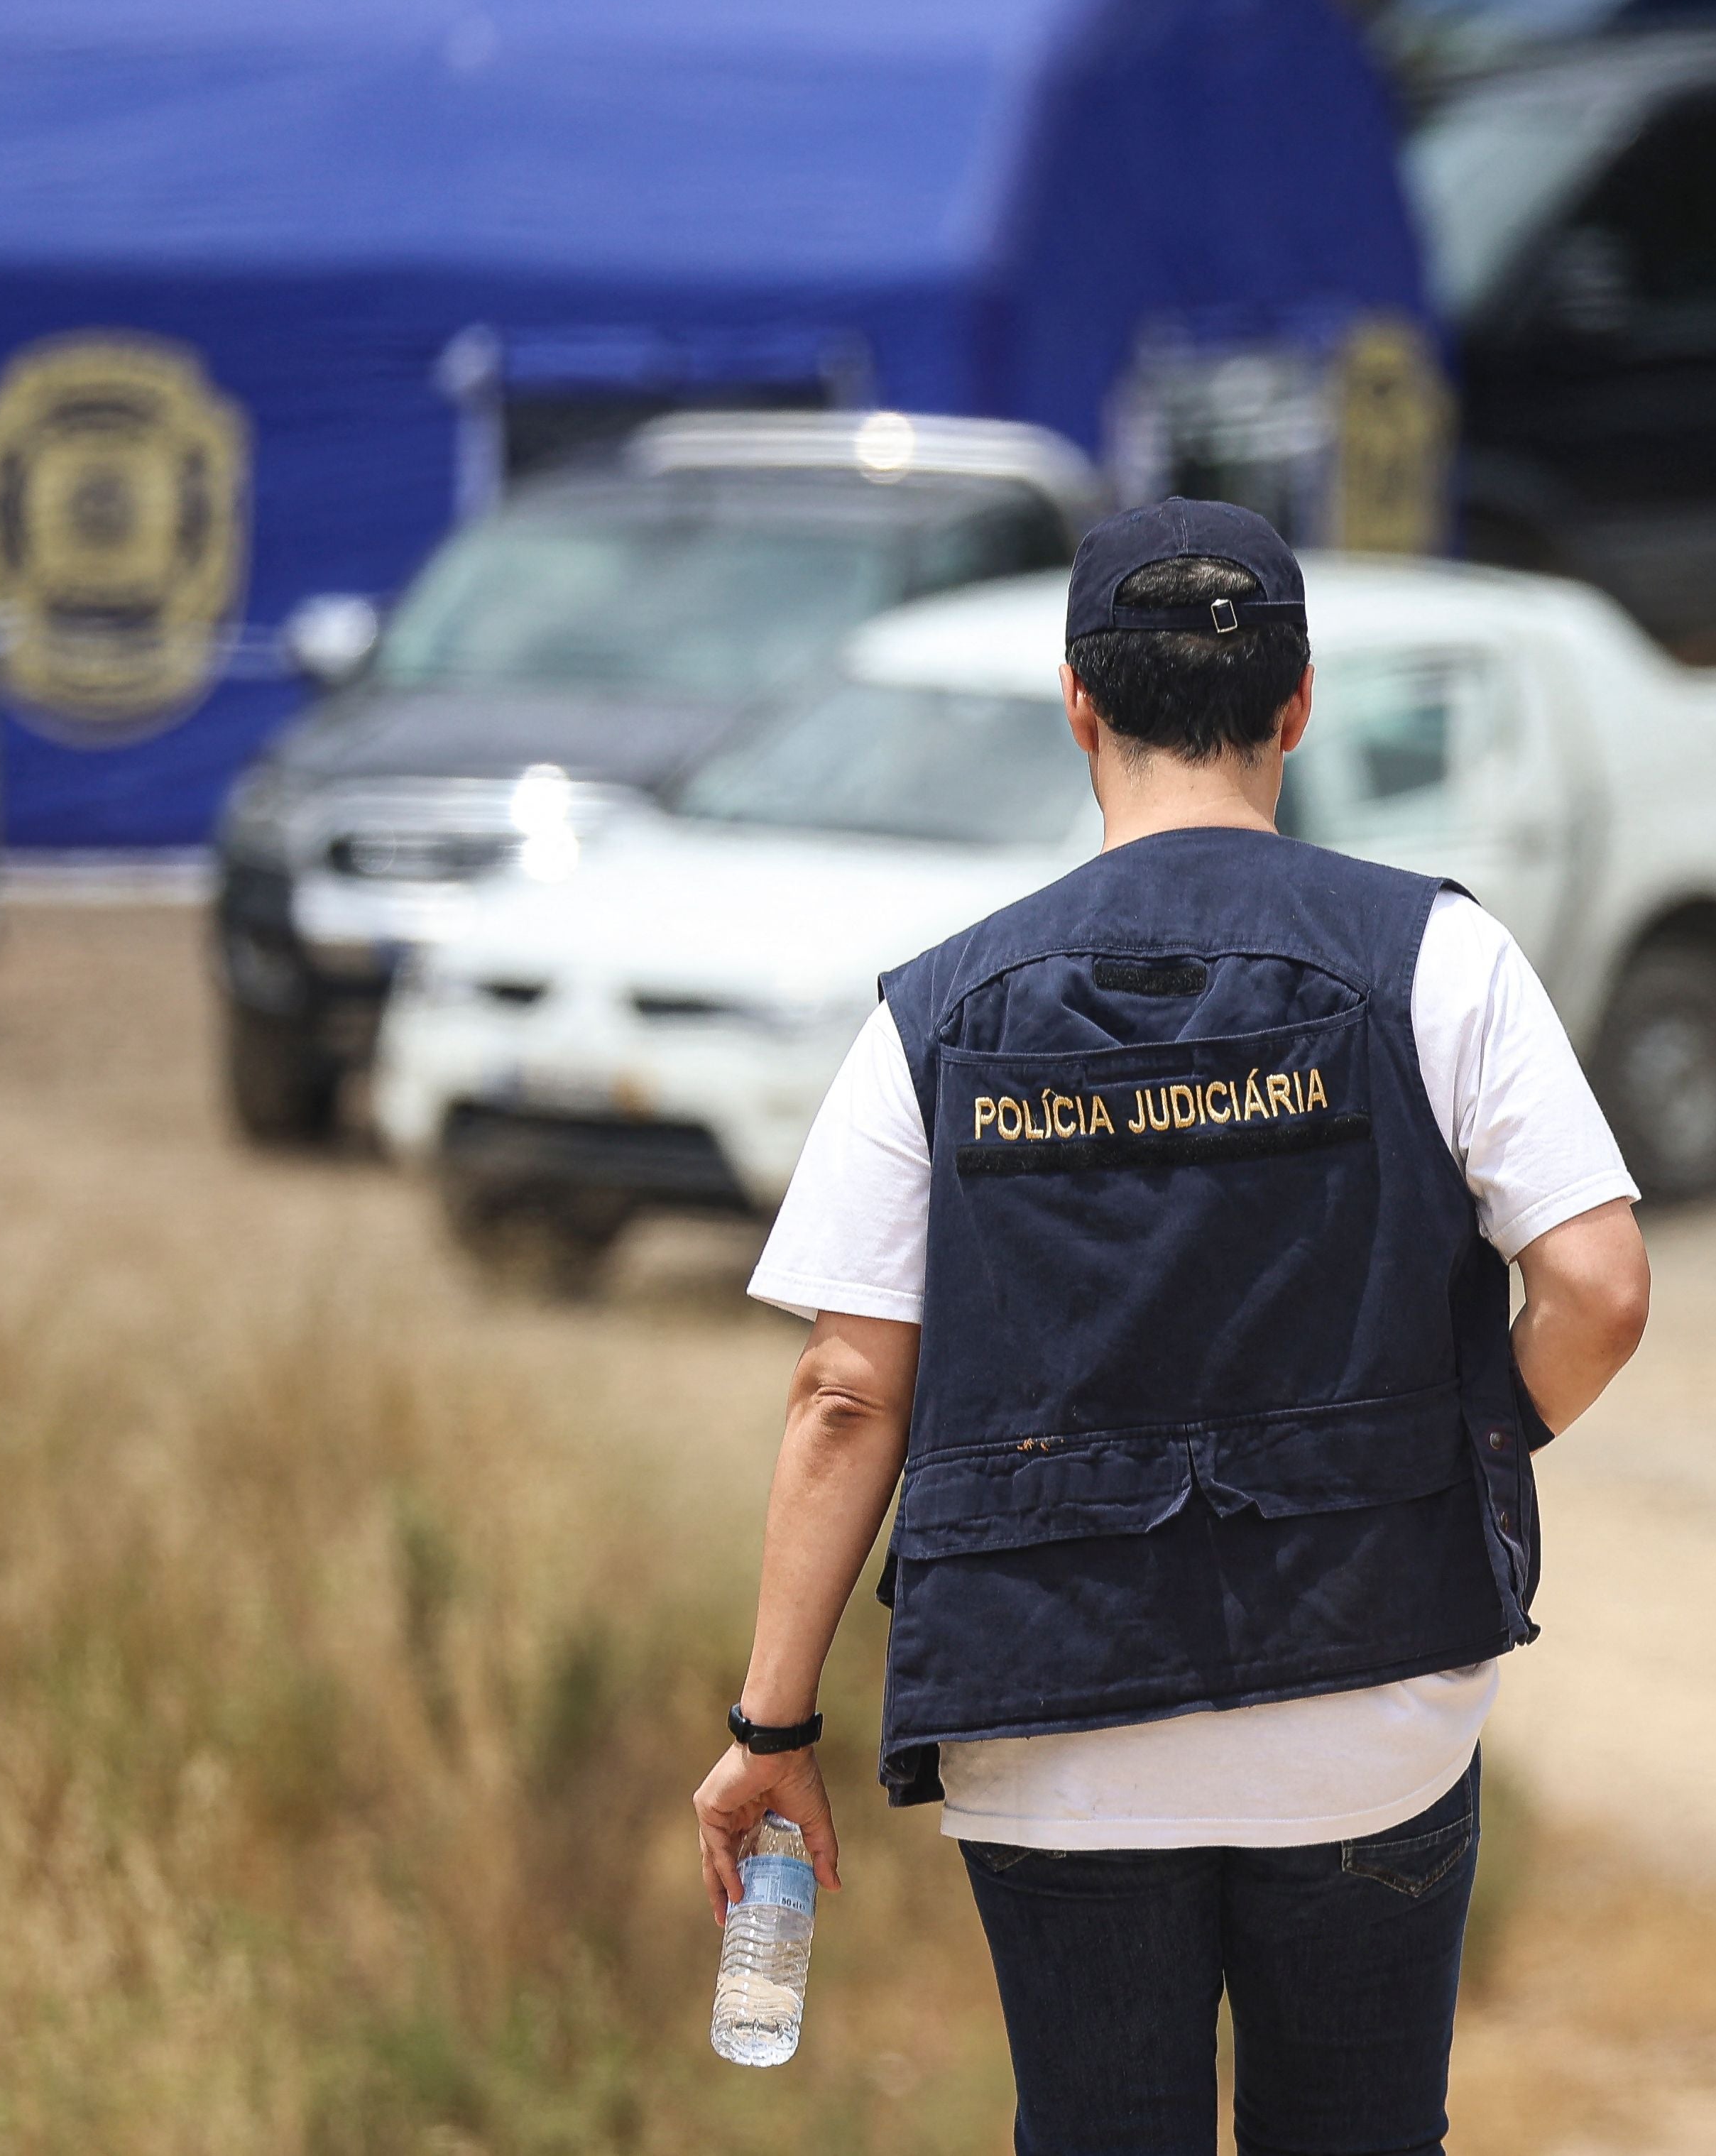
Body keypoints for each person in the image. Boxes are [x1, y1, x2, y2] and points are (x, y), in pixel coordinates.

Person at [689, 498, 1653, 2156]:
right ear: (1298, 703)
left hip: (1051, 1718)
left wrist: (772, 1727)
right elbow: (1599, 1289)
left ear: (1078, 703)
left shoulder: (937, 1010)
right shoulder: (1440, 958)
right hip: (1366, 1708)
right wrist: (1470, 1446)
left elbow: (848, 1390)